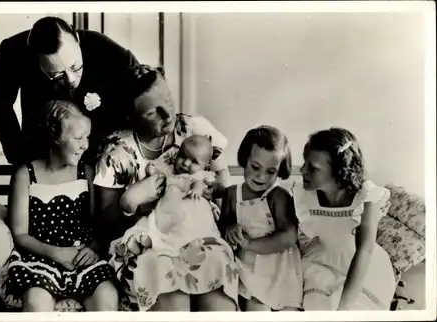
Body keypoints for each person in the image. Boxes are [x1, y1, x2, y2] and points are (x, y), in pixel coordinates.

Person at [94, 65, 237, 311]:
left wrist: (217, 193)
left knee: (215, 268)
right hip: (151, 243)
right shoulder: (117, 154)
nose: (168, 115)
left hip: (201, 233)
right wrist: (130, 203)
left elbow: (223, 178)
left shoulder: (194, 129)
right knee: (165, 273)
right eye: (153, 113)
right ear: (130, 117)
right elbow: (105, 224)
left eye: (168, 101)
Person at [4, 100, 118, 311]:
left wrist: (93, 249)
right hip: (40, 259)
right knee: (37, 300)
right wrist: (55, 253)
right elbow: (20, 234)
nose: (85, 145)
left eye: (87, 137)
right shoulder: (25, 175)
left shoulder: (87, 172)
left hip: (81, 258)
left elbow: (97, 225)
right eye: (78, 138)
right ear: (55, 137)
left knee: (107, 295)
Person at [0, 16, 139, 166]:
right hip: (44, 151)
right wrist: (18, 154)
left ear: (77, 39)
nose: (70, 79)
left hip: (101, 151)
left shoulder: (106, 50)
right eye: (56, 74)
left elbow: (145, 90)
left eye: (75, 66)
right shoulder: (14, 51)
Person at [293, 127, 396, 310]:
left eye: (313, 167)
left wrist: (344, 308)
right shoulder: (304, 195)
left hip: (361, 267)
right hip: (322, 262)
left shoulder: (366, 198)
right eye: (304, 162)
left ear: (339, 172)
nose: (302, 170)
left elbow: (365, 250)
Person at [218, 126, 303, 311]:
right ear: (244, 160)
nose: (261, 177)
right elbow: (223, 224)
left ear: (280, 169)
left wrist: (249, 244)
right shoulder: (232, 194)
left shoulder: (278, 195)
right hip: (249, 267)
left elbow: (289, 236)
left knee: (288, 310)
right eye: (255, 167)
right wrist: (230, 228)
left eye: (271, 171)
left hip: (279, 267)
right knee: (256, 310)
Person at [116, 134, 224, 258]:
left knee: (189, 233)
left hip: (192, 214)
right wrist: (152, 171)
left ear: (206, 165)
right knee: (149, 224)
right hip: (166, 212)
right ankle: (138, 243)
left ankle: (159, 244)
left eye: (194, 161)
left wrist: (200, 188)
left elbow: (217, 188)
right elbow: (156, 173)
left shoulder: (202, 175)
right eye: (182, 156)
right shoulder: (169, 172)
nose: (186, 163)